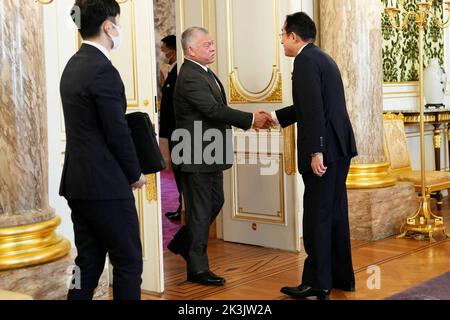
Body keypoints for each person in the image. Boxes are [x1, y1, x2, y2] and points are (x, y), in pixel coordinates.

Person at [168, 27, 273, 286]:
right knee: (201, 209)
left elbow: (218, 109)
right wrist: (250, 119)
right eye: (207, 45)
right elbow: (214, 110)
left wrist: (250, 119)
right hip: (196, 153)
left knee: (215, 201)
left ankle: (184, 242)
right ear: (191, 50)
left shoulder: (203, 71)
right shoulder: (190, 76)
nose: (212, 48)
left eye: (212, 43)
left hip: (209, 152)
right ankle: (198, 268)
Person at [60, 0, 146, 300]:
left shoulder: (73, 65)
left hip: (77, 183)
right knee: (128, 260)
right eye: (117, 23)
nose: (119, 29)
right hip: (106, 184)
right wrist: (134, 172)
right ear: (108, 26)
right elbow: (116, 132)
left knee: (86, 262)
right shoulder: (102, 70)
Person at [274, 12, 358, 300]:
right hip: (339, 147)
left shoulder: (305, 61)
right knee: (333, 214)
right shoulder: (322, 57)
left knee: (316, 218)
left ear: (294, 37)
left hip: (326, 149)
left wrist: (316, 150)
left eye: (283, 35)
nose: (282, 41)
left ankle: (317, 283)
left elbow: (313, 112)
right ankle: (339, 277)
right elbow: (308, 105)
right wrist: (275, 117)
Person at [158, 35, 182, 222]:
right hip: (173, 131)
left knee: (181, 172)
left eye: (164, 49)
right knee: (177, 172)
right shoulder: (172, 72)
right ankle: (182, 207)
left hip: (178, 131)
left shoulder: (178, 73)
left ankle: (183, 208)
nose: (162, 53)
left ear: (172, 50)